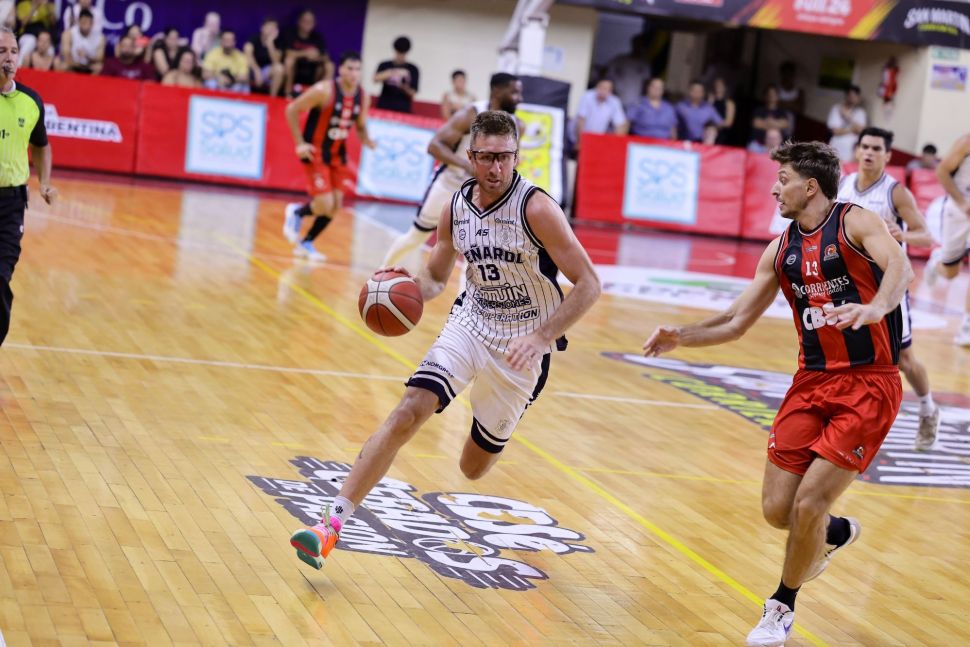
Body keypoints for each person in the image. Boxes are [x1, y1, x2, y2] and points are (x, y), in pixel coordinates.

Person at [289, 109, 601, 571]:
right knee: (407, 411)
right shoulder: (455, 207)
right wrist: (408, 283)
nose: (496, 167)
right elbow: (436, 277)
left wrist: (541, 337)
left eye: (505, 157)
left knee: (472, 469)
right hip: (471, 323)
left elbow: (590, 284)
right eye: (487, 157)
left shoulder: (537, 209)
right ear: (471, 157)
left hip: (522, 348)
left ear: (516, 157)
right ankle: (329, 525)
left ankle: (495, 421)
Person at [644, 140, 912, 647]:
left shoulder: (855, 223)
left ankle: (780, 608)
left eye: (783, 179)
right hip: (811, 381)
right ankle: (834, 533)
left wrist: (877, 307)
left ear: (810, 186)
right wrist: (683, 335)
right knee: (776, 510)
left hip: (868, 383)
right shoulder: (781, 248)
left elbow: (900, 267)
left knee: (809, 502)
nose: (774, 188)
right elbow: (736, 320)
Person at [837, 127, 940, 450]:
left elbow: (926, 236)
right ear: (857, 150)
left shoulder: (896, 193)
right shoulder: (843, 185)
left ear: (888, 155)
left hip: (889, 285)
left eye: (876, 148)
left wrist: (902, 235)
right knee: (848, 353)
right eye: (865, 147)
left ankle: (928, 409)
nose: (869, 153)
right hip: (853, 285)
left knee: (904, 359)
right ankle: (849, 421)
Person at [380, 72, 522, 269]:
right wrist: (467, 165)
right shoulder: (472, 114)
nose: (519, 98)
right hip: (451, 183)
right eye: (514, 92)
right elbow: (434, 146)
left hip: (482, 191)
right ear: (497, 91)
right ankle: (380, 274)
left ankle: (469, 291)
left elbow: (513, 160)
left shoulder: (516, 125)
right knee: (416, 236)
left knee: (478, 248)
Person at [282, 51, 375, 262]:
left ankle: (306, 243)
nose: (354, 73)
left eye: (357, 69)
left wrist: (366, 139)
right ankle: (297, 212)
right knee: (324, 204)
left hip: (338, 155)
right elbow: (291, 110)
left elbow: (360, 125)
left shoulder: (363, 97)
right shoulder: (324, 90)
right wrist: (300, 143)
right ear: (340, 69)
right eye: (349, 68)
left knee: (335, 206)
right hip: (315, 152)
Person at [0, 27, 56, 347]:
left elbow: (41, 145)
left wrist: (44, 182)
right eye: (1, 51)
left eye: (13, 51)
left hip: (10, 205)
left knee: (0, 279)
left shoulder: (31, 101)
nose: (9, 58)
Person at [926, 133, 970, 347]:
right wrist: (962, 202)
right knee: (951, 272)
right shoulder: (966, 142)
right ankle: (937, 261)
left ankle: (967, 327)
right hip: (958, 210)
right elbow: (942, 171)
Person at [282, 9, 330, 96]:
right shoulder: (290, 34)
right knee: (289, 61)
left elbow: (325, 57)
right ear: (299, 21)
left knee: (330, 66)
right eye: (305, 20)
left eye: (310, 21)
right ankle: (287, 94)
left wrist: (317, 57)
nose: (308, 23)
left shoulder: (317, 38)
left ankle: (321, 95)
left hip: (313, 71)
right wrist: (306, 53)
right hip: (295, 69)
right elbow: (287, 53)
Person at [575, 78, 628, 146]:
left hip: (597, 139)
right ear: (596, 87)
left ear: (611, 91)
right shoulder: (587, 96)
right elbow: (581, 121)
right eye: (601, 87)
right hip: (578, 136)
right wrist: (580, 141)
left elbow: (620, 124)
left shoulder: (614, 102)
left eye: (606, 89)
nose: (603, 90)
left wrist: (615, 144)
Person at [605, 33, 652, 109]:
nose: (638, 46)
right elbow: (608, 78)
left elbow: (646, 83)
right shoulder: (620, 60)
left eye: (641, 44)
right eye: (636, 44)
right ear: (632, 44)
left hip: (636, 103)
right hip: (617, 100)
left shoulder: (644, 64)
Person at [374, 35, 419, 113]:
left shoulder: (413, 69)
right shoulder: (385, 65)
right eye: (398, 52)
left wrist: (403, 87)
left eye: (403, 53)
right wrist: (394, 73)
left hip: (403, 109)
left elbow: (413, 93)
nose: (400, 56)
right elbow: (375, 78)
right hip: (384, 106)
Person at [244, 17, 284, 97]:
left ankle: (272, 99)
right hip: (253, 70)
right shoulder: (254, 39)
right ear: (262, 28)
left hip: (266, 72)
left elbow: (276, 62)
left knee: (279, 68)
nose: (271, 30)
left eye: (274, 28)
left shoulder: (278, 42)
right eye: (269, 27)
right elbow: (248, 55)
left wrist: (270, 43)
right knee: (244, 69)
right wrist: (256, 71)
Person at [827, 85, 866, 162]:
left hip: (851, 150)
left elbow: (861, 131)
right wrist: (852, 129)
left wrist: (848, 118)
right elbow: (835, 131)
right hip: (836, 146)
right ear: (846, 96)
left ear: (858, 98)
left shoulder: (861, 113)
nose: (852, 99)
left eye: (855, 96)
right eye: (850, 96)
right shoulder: (836, 108)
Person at [58, 8, 102, 74]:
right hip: (72, 65)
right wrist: (76, 64)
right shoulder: (68, 34)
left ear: (92, 23)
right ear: (78, 21)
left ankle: (90, 81)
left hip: (89, 66)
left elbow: (100, 58)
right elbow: (66, 54)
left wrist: (87, 56)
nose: (86, 25)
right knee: (61, 65)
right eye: (84, 22)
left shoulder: (100, 38)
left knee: (99, 67)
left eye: (88, 23)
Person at [709, 77, 735, 144]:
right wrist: (710, 102)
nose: (718, 87)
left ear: (725, 87)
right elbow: (706, 116)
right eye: (717, 85)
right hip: (709, 132)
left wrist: (716, 125)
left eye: (721, 85)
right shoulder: (710, 100)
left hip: (722, 134)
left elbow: (729, 123)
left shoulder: (729, 103)